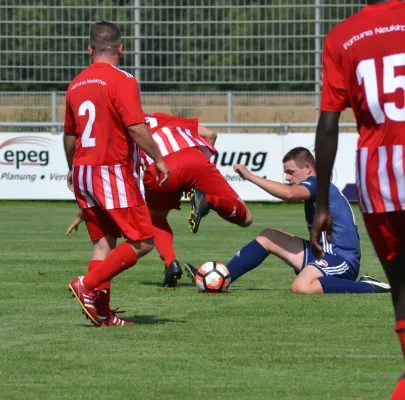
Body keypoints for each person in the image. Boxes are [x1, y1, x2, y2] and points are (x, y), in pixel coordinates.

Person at [310, 1, 405, 397]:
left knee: (401, 288)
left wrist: (321, 202)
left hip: (380, 181)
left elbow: (329, 124)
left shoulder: (343, 36)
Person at [66, 111, 253, 288]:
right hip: (193, 158)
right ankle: (210, 200)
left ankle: (171, 263)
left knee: (156, 216)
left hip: (158, 169)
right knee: (245, 219)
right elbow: (210, 134)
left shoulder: (122, 126)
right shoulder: (161, 117)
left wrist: (84, 209)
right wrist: (199, 173)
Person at [64, 21, 169, 327]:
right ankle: (88, 283)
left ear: (89, 50)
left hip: (82, 170)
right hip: (110, 171)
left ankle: (102, 313)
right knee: (145, 241)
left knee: (103, 244)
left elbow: (70, 136)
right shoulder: (123, 80)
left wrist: (72, 168)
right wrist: (159, 158)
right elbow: (136, 127)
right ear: (121, 49)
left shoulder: (75, 84)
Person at [185, 147, 390, 295]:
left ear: (308, 168)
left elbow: (290, 195)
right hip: (320, 254)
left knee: (300, 287)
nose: (288, 178)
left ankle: (371, 286)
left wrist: (250, 176)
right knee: (268, 236)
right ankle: (222, 277)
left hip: (341, 261)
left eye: (290, 172)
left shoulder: (317, 183)